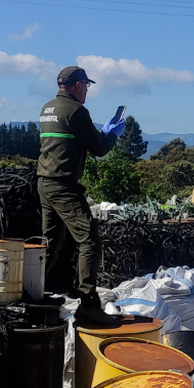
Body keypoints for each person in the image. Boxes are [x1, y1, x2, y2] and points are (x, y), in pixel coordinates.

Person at [37, 65, 126, 324]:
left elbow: (69, 140)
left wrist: (100, 132)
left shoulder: (47, 109)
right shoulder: (77, 110)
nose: (87, 90)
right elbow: (98, 148)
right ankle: (88, 305)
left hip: (44, 182)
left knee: (51, 243)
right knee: (88, 240)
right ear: (77, 86)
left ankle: (39, 296)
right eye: (86, 85)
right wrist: (112, 135)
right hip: (64, 185)